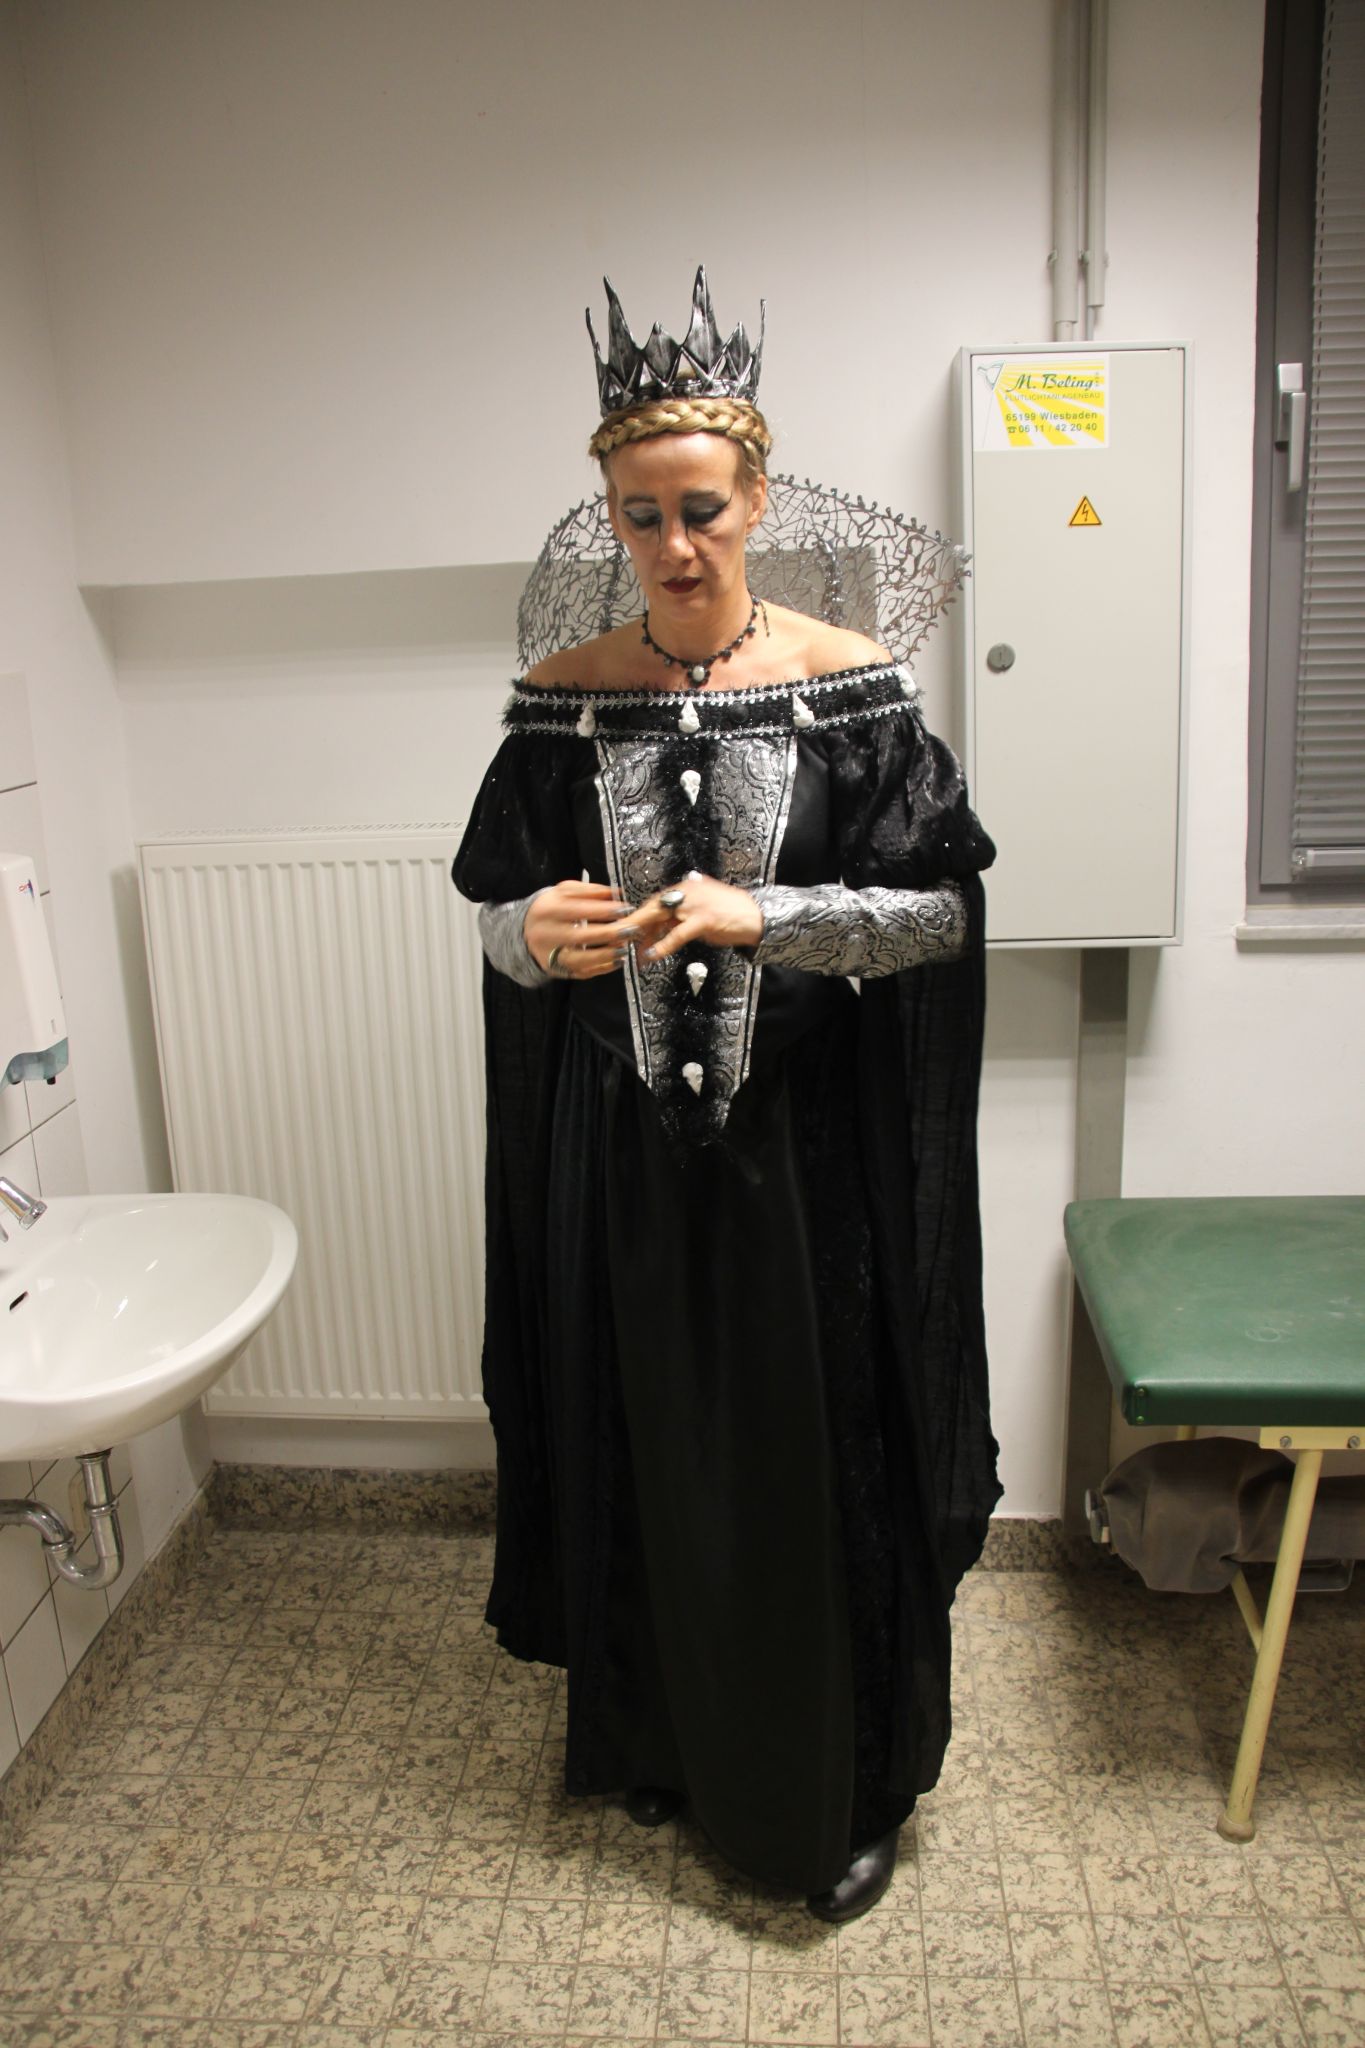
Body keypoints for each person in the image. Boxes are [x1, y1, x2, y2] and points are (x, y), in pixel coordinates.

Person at [451, 267, 1001, 1923]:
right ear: (609, 517)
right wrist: (527, 937)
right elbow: (493, 909)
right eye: (643, 516)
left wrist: (774, 917)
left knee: (796, 1462)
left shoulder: (851, 689)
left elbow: (938, 915)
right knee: (647, 1438)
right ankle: (659, 1739)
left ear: (756, 498)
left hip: (802, 1166)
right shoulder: (564, 699)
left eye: (701, 510)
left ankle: (822, 1791)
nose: (675, 546)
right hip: (623, 1158)